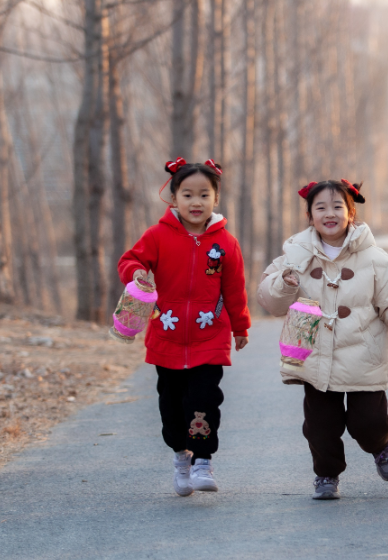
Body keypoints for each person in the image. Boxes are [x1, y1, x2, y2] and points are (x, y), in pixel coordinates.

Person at [257, 179, 388, 500]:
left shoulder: (375, 259)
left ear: (351, 213)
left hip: (365, 357)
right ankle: (326, 475)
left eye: (338, 206)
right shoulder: (296, 256)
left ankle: (381, 445)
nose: (330, 213)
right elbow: (270, 300)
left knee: (369, 422)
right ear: (310, 215)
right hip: (314, 359)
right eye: (320, 207)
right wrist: (284, 282)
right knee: (320, 428)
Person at [117, 158, 250, 496]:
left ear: (215, 199)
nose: (196, 202)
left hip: (210, 337)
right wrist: (135, 272)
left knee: (205, 399)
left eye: (204, 195)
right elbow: (129, 260)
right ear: (173, 198)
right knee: (172, 405)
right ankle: (181, 455)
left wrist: (240, 326)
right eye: (187, 195)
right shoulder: (157, 236)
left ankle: (203, 460)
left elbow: (234, 289)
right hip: (167, 336)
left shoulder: (226, 244)